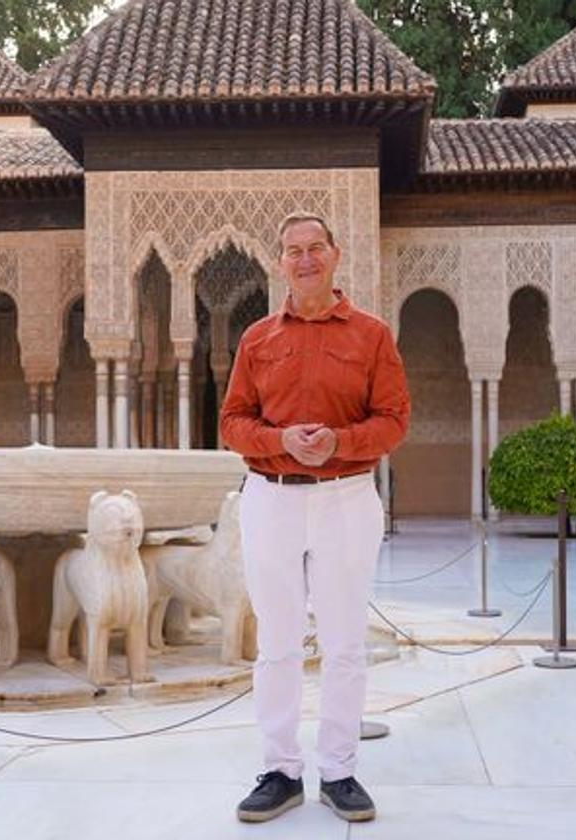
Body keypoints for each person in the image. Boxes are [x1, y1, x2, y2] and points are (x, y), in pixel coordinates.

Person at [219, 211, 410, 824]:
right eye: (293, 250)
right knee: (275, 641)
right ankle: (280, 769)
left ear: (335, 254)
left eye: (315, 248)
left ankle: (340, 770)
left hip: (345, 498)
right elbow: (231, 423)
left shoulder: (372, 335)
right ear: (281, 262)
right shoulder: (257, 339)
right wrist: (280, 443)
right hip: (270, 497)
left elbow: (394, 419)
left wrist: (339, 444)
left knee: (344, 640)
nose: (305, 259)